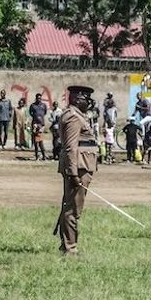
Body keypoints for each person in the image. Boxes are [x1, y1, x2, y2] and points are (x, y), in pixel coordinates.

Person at [56, 85, 99, 255]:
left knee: (70, 206)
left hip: (82, 166)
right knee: (73, 209)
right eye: (85, 99)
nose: (89, 102)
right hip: (79, 168)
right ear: (75, 99)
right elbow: (70, 147)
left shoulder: (77, 116)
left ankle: (66, 244)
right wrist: (73, 172)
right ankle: (70, 248)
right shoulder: (73, 117)